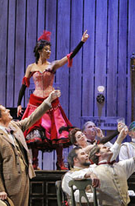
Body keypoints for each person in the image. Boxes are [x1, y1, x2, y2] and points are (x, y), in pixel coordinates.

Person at [16, 30, 89, 170]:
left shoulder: (53, 65)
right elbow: (24, 85)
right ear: (39, 51)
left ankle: (60, 162)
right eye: (46, 50)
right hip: (35, 101)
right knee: (35, 131)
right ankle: (35, 162)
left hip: (51, 101)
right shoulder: (31, 67)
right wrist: (19, 103)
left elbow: (69, 56)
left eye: (50, 50)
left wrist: (82, 42)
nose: (49, 52)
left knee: (57, 130)